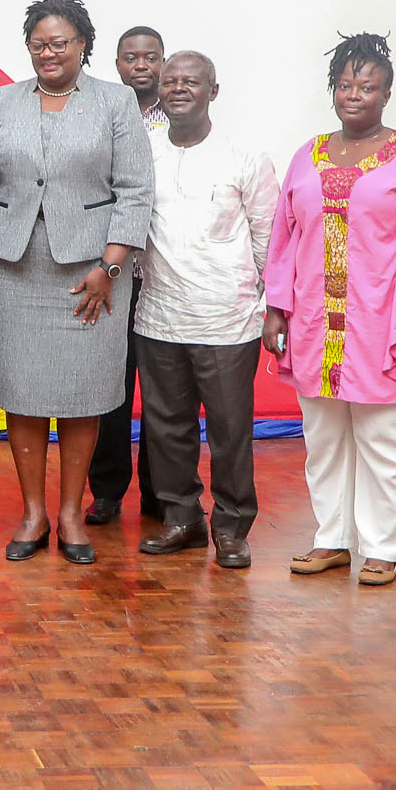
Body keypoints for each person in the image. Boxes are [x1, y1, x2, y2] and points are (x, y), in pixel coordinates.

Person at [264, 33, 396, 587]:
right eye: (345, 84)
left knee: (386, 440)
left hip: (389, 322)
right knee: (323, 440)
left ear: (386, 94)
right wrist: (276, 308)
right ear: (333, 90)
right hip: (315, 324)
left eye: (367, 86)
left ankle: (381, 548)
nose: (354, 95)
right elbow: (284, 237)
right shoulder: (307, 154)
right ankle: (331, 539)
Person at [0, 0, 154, 566]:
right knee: (22, 392)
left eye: (59, 43)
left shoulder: (116, 102)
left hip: (92, 274)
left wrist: (110, 267)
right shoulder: (3, 101)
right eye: (38, 44)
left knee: (83, 393)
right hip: (15, 271)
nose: (48, 53)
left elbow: (136, 191)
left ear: (82, 45)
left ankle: (72, 513)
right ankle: (33, 513)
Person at [131, 51, 277, 569]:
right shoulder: (142, 152)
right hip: (158, 316)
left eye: (191, 82)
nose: (178, 88)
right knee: (166, 428)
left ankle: (232, 528)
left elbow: (268, 236)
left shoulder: (244, 156)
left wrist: (270, 306)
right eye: (169, 80)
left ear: (213, 91)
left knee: (230, 431)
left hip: (227, 320)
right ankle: (182, 519)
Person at [85, 24, 168, 526]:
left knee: (160, 390)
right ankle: (107, 491)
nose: (141, 65)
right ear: (116, 64)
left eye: (150, 57)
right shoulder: (101, 113)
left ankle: (160, 493)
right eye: (131, 57)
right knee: (110, 386)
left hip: (162, 275)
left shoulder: (179, 119)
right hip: (113, 273)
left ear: (162, 61)